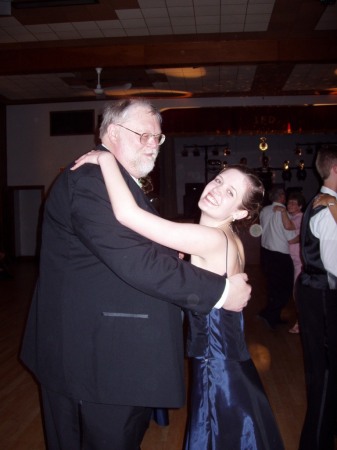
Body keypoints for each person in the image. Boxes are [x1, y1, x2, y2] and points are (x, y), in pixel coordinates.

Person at [20, 99, 251, 450]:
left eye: (157, 138)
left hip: (106, 358)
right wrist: (220, 292)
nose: (152, 144)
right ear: (112, 133)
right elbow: (133, 261)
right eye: (143, 134)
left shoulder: (108, 177)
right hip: (97, 362)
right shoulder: (91, 180)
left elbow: (122, 245)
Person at [72, 151, 284, 449]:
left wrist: (107, 160)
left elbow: (127, 215)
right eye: (219, 180)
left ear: (239, 213)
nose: (216, 190)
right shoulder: (229, 239)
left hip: (216, 365)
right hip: (230, 358)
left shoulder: (208, 238)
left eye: (230, 192)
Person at [296, 144, 337, 450]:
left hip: (317, 292)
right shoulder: (326, 208)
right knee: (324, 373)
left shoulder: (327, 204)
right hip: (324, 295)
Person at [259, 187, 297, 329]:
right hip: (280, 255)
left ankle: (267, 313)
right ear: (281, 197)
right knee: (284, 289)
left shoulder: (264, 210)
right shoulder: (283, 212)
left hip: (266, 253)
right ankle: (272, 317)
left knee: (272, 286)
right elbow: (291, 238)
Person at [274, 192, 306, 334]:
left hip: (300, 262)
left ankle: (301, 323)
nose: (289, 205)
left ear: (300, 206)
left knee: (298, 294)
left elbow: (289, 228)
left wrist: (282, 211)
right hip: (292, 260)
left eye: (294, 203)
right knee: (294, 293)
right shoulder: (293, 216)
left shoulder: (301, 217)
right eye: (289, 203)